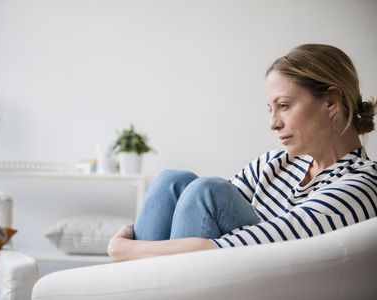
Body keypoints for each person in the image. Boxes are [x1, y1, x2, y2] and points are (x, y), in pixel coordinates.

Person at [108, 44, 377, 262]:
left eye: (284, 105)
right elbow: (200, 217)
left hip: (267, 283)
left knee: (207, 191)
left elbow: (246, 245)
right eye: (270, 109)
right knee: (172, 181)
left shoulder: (363, 183)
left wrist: (126, 249)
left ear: (331, 102)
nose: (273, 123)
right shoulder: (274, 163)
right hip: (227, 272)